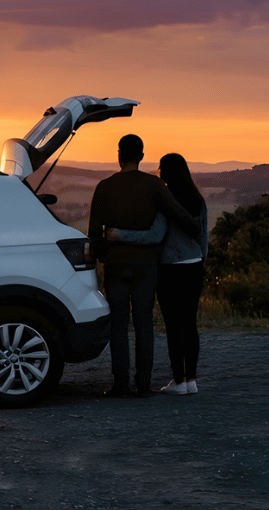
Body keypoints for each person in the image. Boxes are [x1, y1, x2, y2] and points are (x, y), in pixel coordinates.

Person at [88, 135, 201, 398]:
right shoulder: (154, 186)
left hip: (117, 265)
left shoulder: (105, 187)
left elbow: (94, 231)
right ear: (140, 156)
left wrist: (105, 255)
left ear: (120, 155)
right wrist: (193, 228)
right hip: (147, 266)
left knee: (118, 325)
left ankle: (120, 384)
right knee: (144, 324)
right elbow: (179, 215)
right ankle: (143, 384)